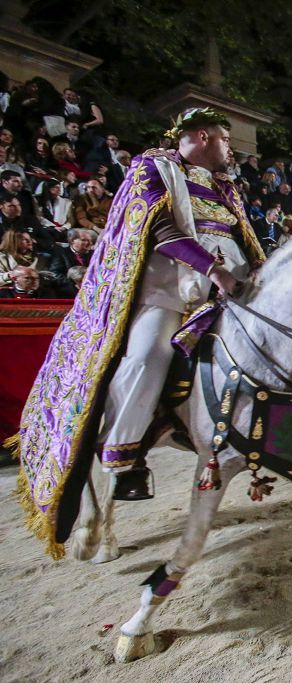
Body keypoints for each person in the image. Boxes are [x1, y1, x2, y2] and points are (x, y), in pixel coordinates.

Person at [16, 108, 265, 522]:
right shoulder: (153, 167)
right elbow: (161, 231)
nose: (229, 150)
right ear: (202, 137)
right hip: (171, 291)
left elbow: (246, 238)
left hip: (232, 288)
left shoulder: (226, 187)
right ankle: (125, 455)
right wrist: (215, 271)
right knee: (149, 355)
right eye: (225, 140)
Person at [49, 227, 95, 296]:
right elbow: (55, 274)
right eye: (84, 240)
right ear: (72, 240)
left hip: (91, 285)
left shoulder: (95, 254)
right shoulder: (61, 253)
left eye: (90, 241)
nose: (89, 243)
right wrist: (74, 284)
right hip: (70, 287)